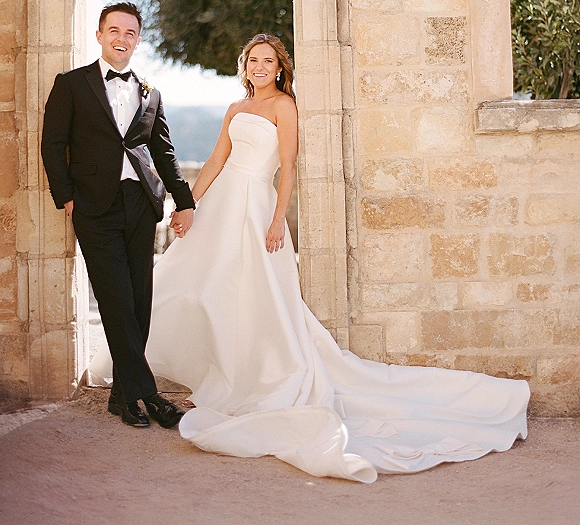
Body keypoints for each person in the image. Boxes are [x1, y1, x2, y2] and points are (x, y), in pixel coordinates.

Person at [90, 33, 530, 483]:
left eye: (267, 61)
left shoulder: (284, 106)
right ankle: (211, 380)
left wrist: (279, 218)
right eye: (252, 61)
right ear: (245, 68)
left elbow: (288, 164)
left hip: (258, 208)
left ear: (280, 68)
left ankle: (244, 385)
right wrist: (189, 206)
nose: (259, 67)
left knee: (256, 298)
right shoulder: (235, 109)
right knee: (196, 288)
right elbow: (215, 162)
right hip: (222, 205)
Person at [42, 2, 195, 429]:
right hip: (94, 206)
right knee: (114, 300)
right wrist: (67, 197)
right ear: (99, 35)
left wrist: (185, 201)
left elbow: (162, 151)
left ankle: (121, 397)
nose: (121, 39)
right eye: (114, 30)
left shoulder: (152, 91)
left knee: (139, 303)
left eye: (130, 32)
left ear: (138, 40)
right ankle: (149, 396)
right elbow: (53, 144)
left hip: (141, 205)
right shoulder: (72, 84)